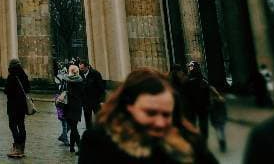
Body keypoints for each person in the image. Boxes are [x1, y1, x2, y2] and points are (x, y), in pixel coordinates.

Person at [78, 67, 218, 164]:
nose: (160, 122)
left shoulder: (190, 141)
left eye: (166, 114)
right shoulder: (98, 143)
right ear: (129, 107)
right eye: (150, 113)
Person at [3, 58, 30, 159]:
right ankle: (22, 148)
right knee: (21, 125)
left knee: (13, 125)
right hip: (22, 105)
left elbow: (7, 90)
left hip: (13, 105)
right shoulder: (23, 75)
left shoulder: (11, 76)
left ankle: (17, 146)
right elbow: (28, 88)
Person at [181, 61, 210, 137]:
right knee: (202, 124)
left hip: (193, 106)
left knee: (193, 123)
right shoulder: (203, 80)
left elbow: (184, 94)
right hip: (201, 105)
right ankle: (202, 137)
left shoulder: (187, 80)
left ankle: (196, 137)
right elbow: (207, 93)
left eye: (191, 67)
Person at [64, 64, 85, 153]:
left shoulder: (67, 81)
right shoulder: (81, 81)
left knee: (73, 128)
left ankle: (80, 147)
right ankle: (72, 147)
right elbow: (83, 94)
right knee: (74, 126)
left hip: (69, 106)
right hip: (77, 106)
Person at [79, 60, 105, 128]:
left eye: (82, 68)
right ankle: (89, 133)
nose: (81, 70)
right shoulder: (80, 74)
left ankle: (100, 132)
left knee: (99, 118)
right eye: (80, 68)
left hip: (95, 100)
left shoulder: (95, 73)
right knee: (88, 120)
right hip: (85, 102)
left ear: (87, 67)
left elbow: (101, 88)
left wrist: (102, 100)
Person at [208, 84, 227, 153]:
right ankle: (223, 144)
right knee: (222, 131)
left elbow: (211, 112)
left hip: (216, 119)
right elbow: (224, 110)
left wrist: (212, 120)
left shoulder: (213, 102)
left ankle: (222, 143)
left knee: (218, 132)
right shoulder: (222, 100)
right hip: (222, 118)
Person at [54, 66, 70, 145]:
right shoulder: (66, 81)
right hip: (62, 103)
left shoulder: (64, 80)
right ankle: (65, 139)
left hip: (62, 103)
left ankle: (63, 136)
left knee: (67, 123)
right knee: (65, 122)